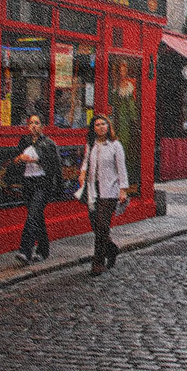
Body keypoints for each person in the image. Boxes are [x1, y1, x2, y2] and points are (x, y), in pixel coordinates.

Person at [78, 115, 130, 276]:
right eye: (98, 124)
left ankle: (98, 263)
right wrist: (82, 173)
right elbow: (86, 162)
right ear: (93, 128)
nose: (101, 127)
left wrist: (123, 189)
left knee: (102, 226)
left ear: (108, 127)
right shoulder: (91, 145)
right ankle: (112, 249)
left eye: (103, 124)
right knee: (96, 226)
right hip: (93, 191)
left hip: (110, 190)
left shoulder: (115, 145)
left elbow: (122, 168)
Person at [12, 114, 62, 265]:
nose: (33, 125)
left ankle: (25, 252)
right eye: (31, 123)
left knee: (32, 216)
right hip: (28, 183)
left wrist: (35, 160)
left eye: (37, 123)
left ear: (42, 126)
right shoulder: (24, 141)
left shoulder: (48, 143)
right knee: (37, 217)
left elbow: (55, 165)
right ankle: (43, 250)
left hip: (43, 184)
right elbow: (15, 160)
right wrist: (20, 159)